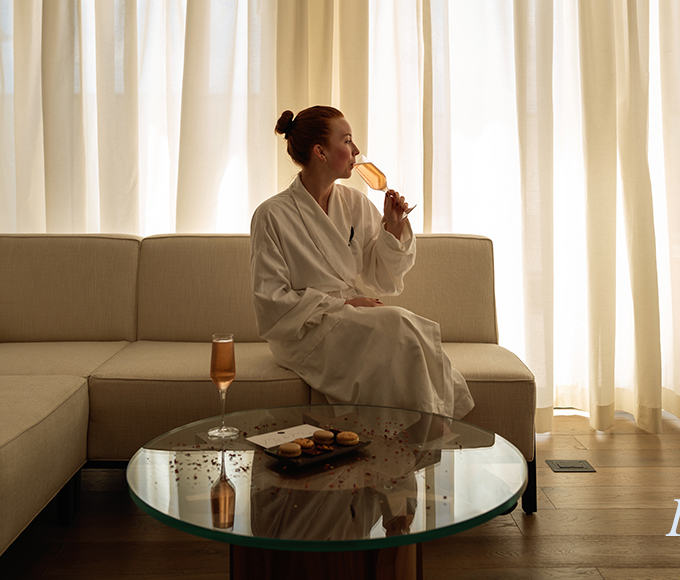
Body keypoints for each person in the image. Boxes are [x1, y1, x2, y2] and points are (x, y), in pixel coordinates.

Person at [249, 105, 474, 419]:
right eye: (347, 141)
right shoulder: (272, 214)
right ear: (320, 152)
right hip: (302, 331)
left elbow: (381, 275)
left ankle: (422, 428)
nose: (356, 150)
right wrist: (343, 305)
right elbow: (271, 300)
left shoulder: (354, 202)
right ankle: (432, 429)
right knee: (399, 323)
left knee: (404, 327)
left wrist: (392, 227)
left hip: (351, 318)